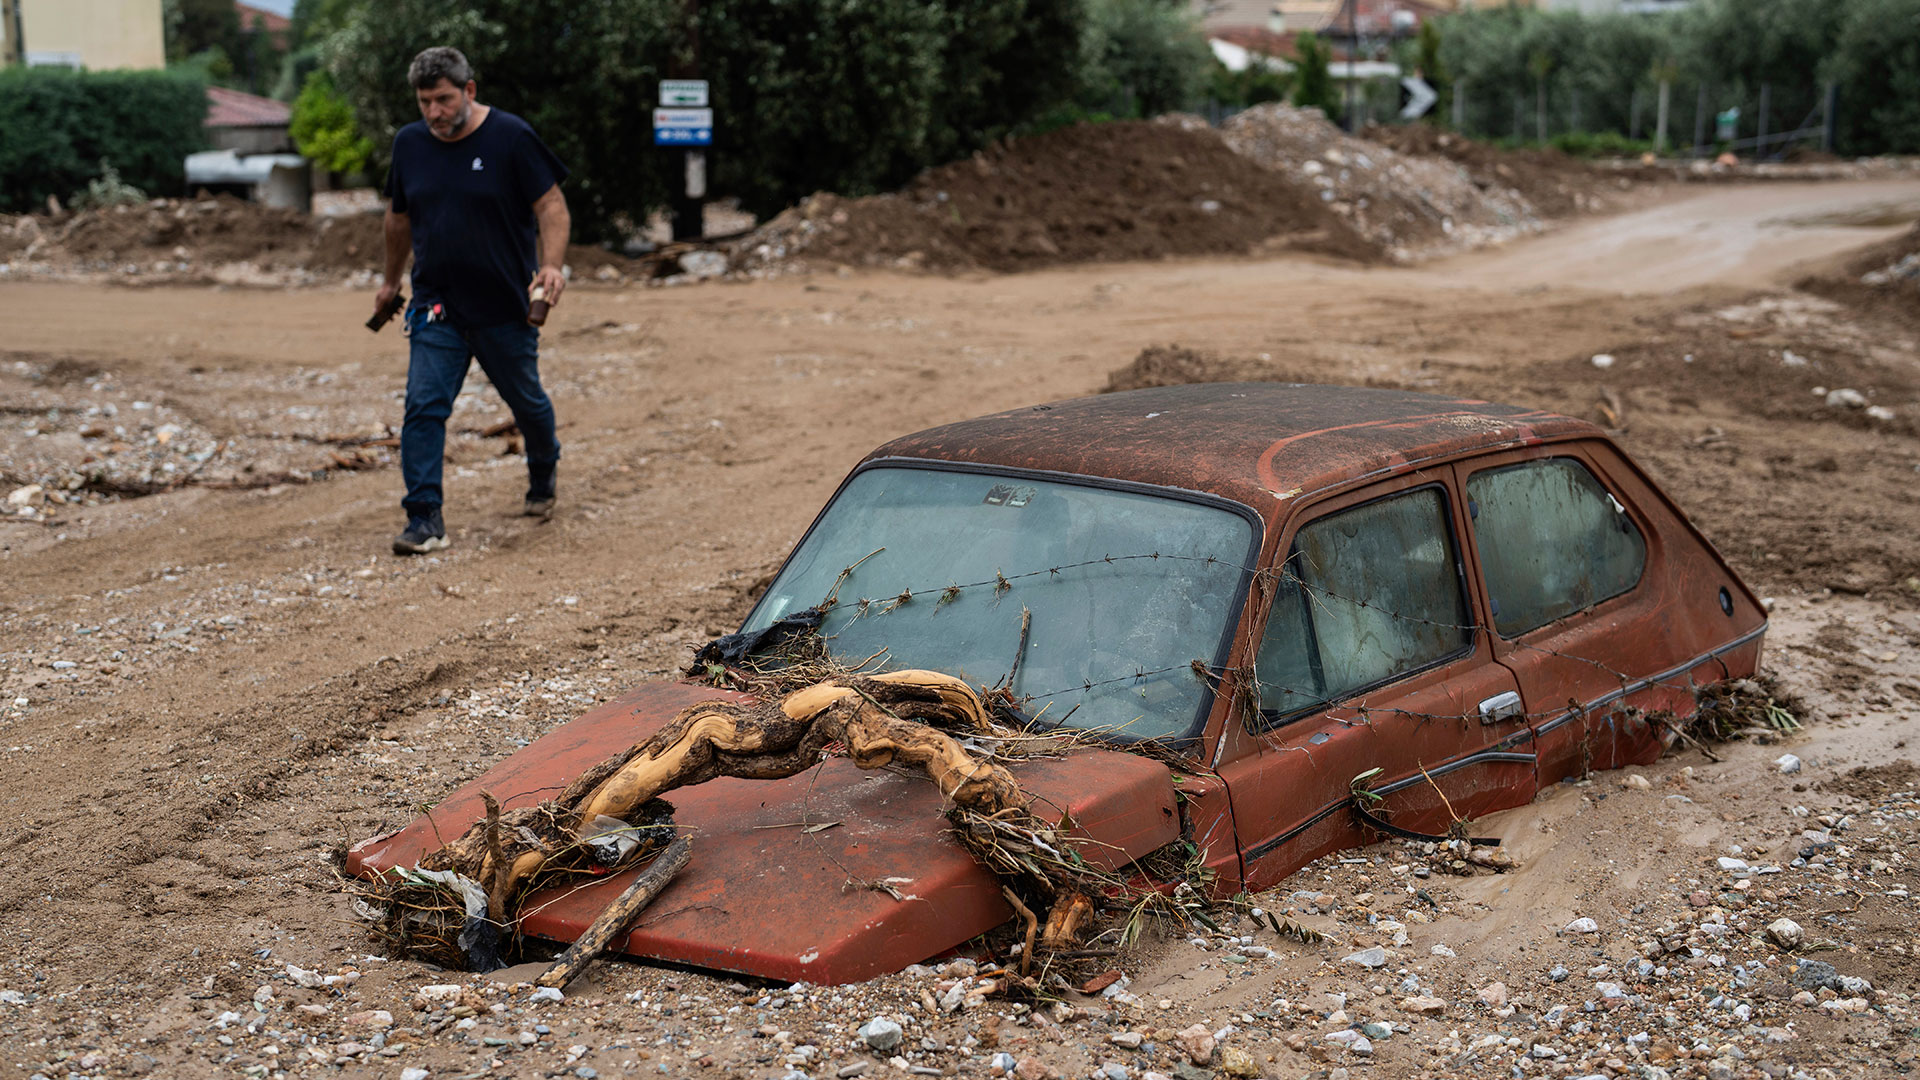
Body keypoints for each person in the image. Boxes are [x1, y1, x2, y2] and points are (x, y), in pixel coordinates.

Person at [374, 46, 571, 555]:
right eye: (424, 102)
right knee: (422, 407)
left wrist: (551, 265)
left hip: (505, 306)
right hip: (436, 303)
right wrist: (391, 281)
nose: (434, 112)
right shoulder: (410, 144)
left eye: (443, 99)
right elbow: (398, 219)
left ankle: (543, 472)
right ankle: (424, 519)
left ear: (469, 90)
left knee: (527, 404)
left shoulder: (511, 137)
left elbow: (551, 204)